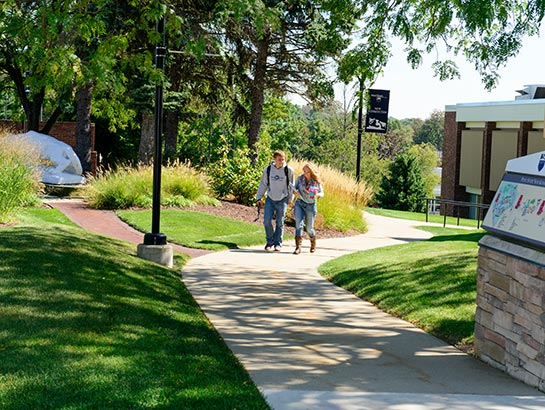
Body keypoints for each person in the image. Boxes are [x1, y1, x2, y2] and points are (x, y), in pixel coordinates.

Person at [255, 150, 294, 252]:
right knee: (266, 221)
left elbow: (291, 186)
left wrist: (290, 199)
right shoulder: (268, 170)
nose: (281, 161)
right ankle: (270, 241)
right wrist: (259, 197)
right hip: (271, 198)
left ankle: (278, 243)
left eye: (283, 159)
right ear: (274, 159)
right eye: (279, 159)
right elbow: (263, 184)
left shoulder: (288, 170)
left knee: (279, 222)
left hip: (283, 199)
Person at [292, 163, 323, 254]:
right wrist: (295, 192)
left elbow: (322, 193)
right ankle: (298, 247)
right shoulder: (300, 178)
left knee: (309, 228)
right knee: (298, 224)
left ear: (312, 172)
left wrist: (317, 195)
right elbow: (294, 187)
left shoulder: (316, 182)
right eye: (304, 171)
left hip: (311, 205)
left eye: (307, 172)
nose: (305, 174)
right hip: (300, 203)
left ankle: (313, 243)